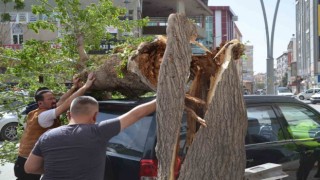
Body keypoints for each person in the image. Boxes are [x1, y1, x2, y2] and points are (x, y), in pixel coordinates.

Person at [24, 96, 156, 180]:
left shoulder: (47, 136)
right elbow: (136, 114)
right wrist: (162, 96)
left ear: (69, 114)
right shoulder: (98, 132)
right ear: (95, 116)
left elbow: (29, 168)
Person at [14, 73, 96, 180]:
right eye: (50, 99)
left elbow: (62, 100)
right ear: (40, 103)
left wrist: (74, 87)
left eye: (53, 98)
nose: (53, 100)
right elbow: (66, 104)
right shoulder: (43, 116)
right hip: (27, 163)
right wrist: (86, 86)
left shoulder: (43, 110)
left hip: (33, 161)